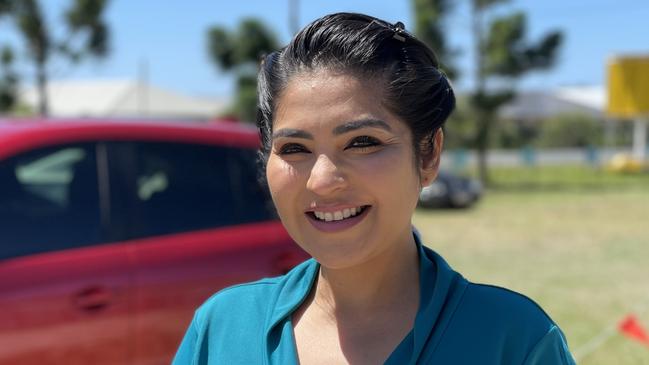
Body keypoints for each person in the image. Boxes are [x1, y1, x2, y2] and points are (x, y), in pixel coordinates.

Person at [172, 12, 576, 364]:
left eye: (363, 142)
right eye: (294, 148)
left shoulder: (513, 340)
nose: (323, 180)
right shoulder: (223, 328)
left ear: (429, 154)